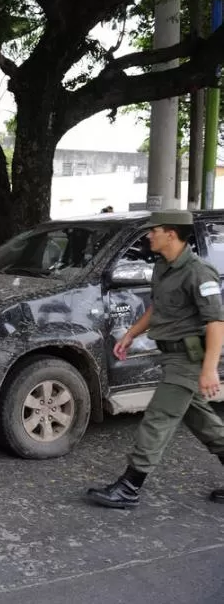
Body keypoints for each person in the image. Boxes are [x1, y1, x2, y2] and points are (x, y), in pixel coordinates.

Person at [86, 210, 224, 509]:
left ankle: (129, 487)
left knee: (157, 419)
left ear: (171, 234)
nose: (149, 235)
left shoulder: (199, 272)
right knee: (202, 421)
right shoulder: (164, 266)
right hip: (171, 355)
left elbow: (216, 323)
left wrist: (210, 369)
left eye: (154, 230)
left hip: (188, 359)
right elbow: (158, 307)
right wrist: (130, 334)